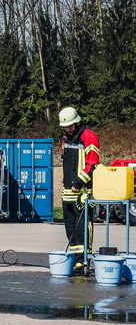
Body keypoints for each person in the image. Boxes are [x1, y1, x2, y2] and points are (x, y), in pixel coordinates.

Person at [59, 106, 100, 271]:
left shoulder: (89, 137)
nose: (68, 129)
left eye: (70, 126)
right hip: (68, 191)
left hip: (83, 192)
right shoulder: (65, 138)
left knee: (83, 226)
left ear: (77, 122)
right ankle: (76, 259)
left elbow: (92, 163)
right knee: (70, 227)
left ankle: (84, 260)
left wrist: (78, 182)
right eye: (65, 127)